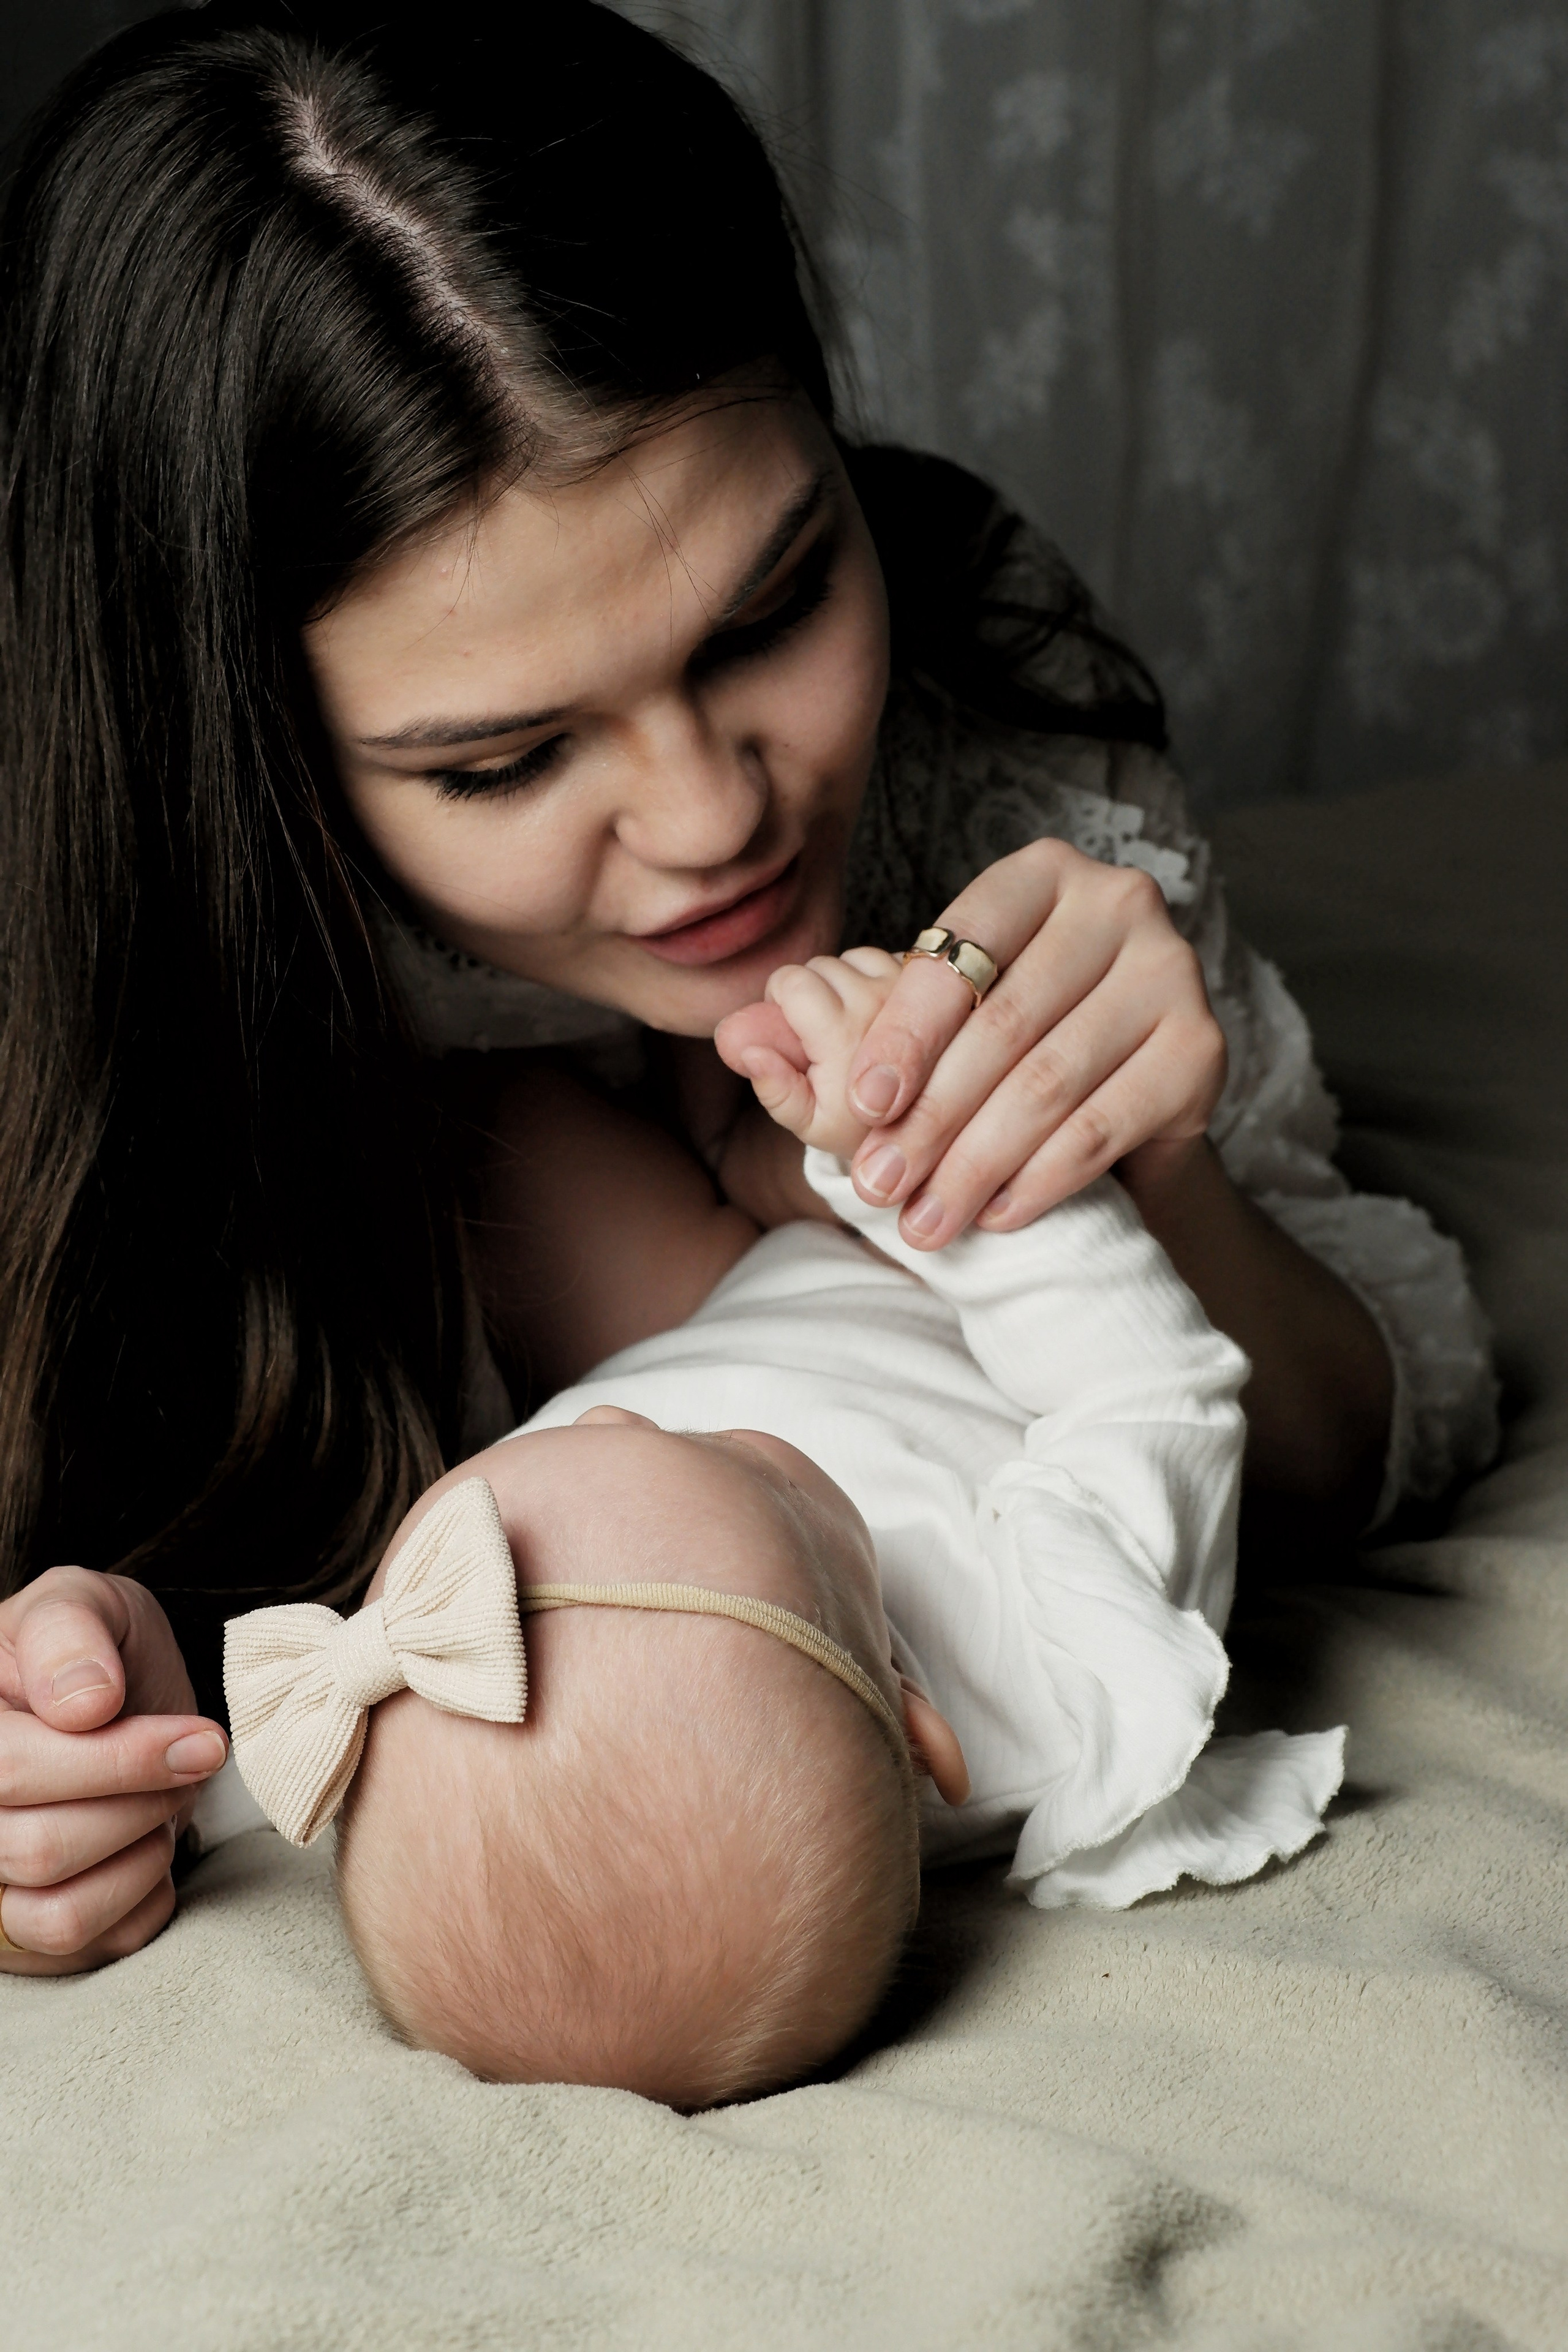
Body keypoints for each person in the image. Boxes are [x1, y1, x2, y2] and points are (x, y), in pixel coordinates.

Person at [0, 0, 1492, 1975]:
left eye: (775, 606)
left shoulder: (988, 775)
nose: (713, 821)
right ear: (241, 757)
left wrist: (1153, 1170)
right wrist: (55, 1742)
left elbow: (1369, 1428)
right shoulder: (114, 981)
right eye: (506, 761)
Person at [224, 948, 1340, 2101]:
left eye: (553, 1440)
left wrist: (126, 1763)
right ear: (920, 1726)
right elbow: (1152, 1388)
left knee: (497, 1116)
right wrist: (895, 1170)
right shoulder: (1070, 1680)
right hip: (913, 1280)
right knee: (795, 1052)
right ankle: (767, 1101)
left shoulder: (416, 1672)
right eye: (703, 1447)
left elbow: (240, 1778)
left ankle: (691, 1065)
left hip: (704, 1296)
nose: (615, 1408)